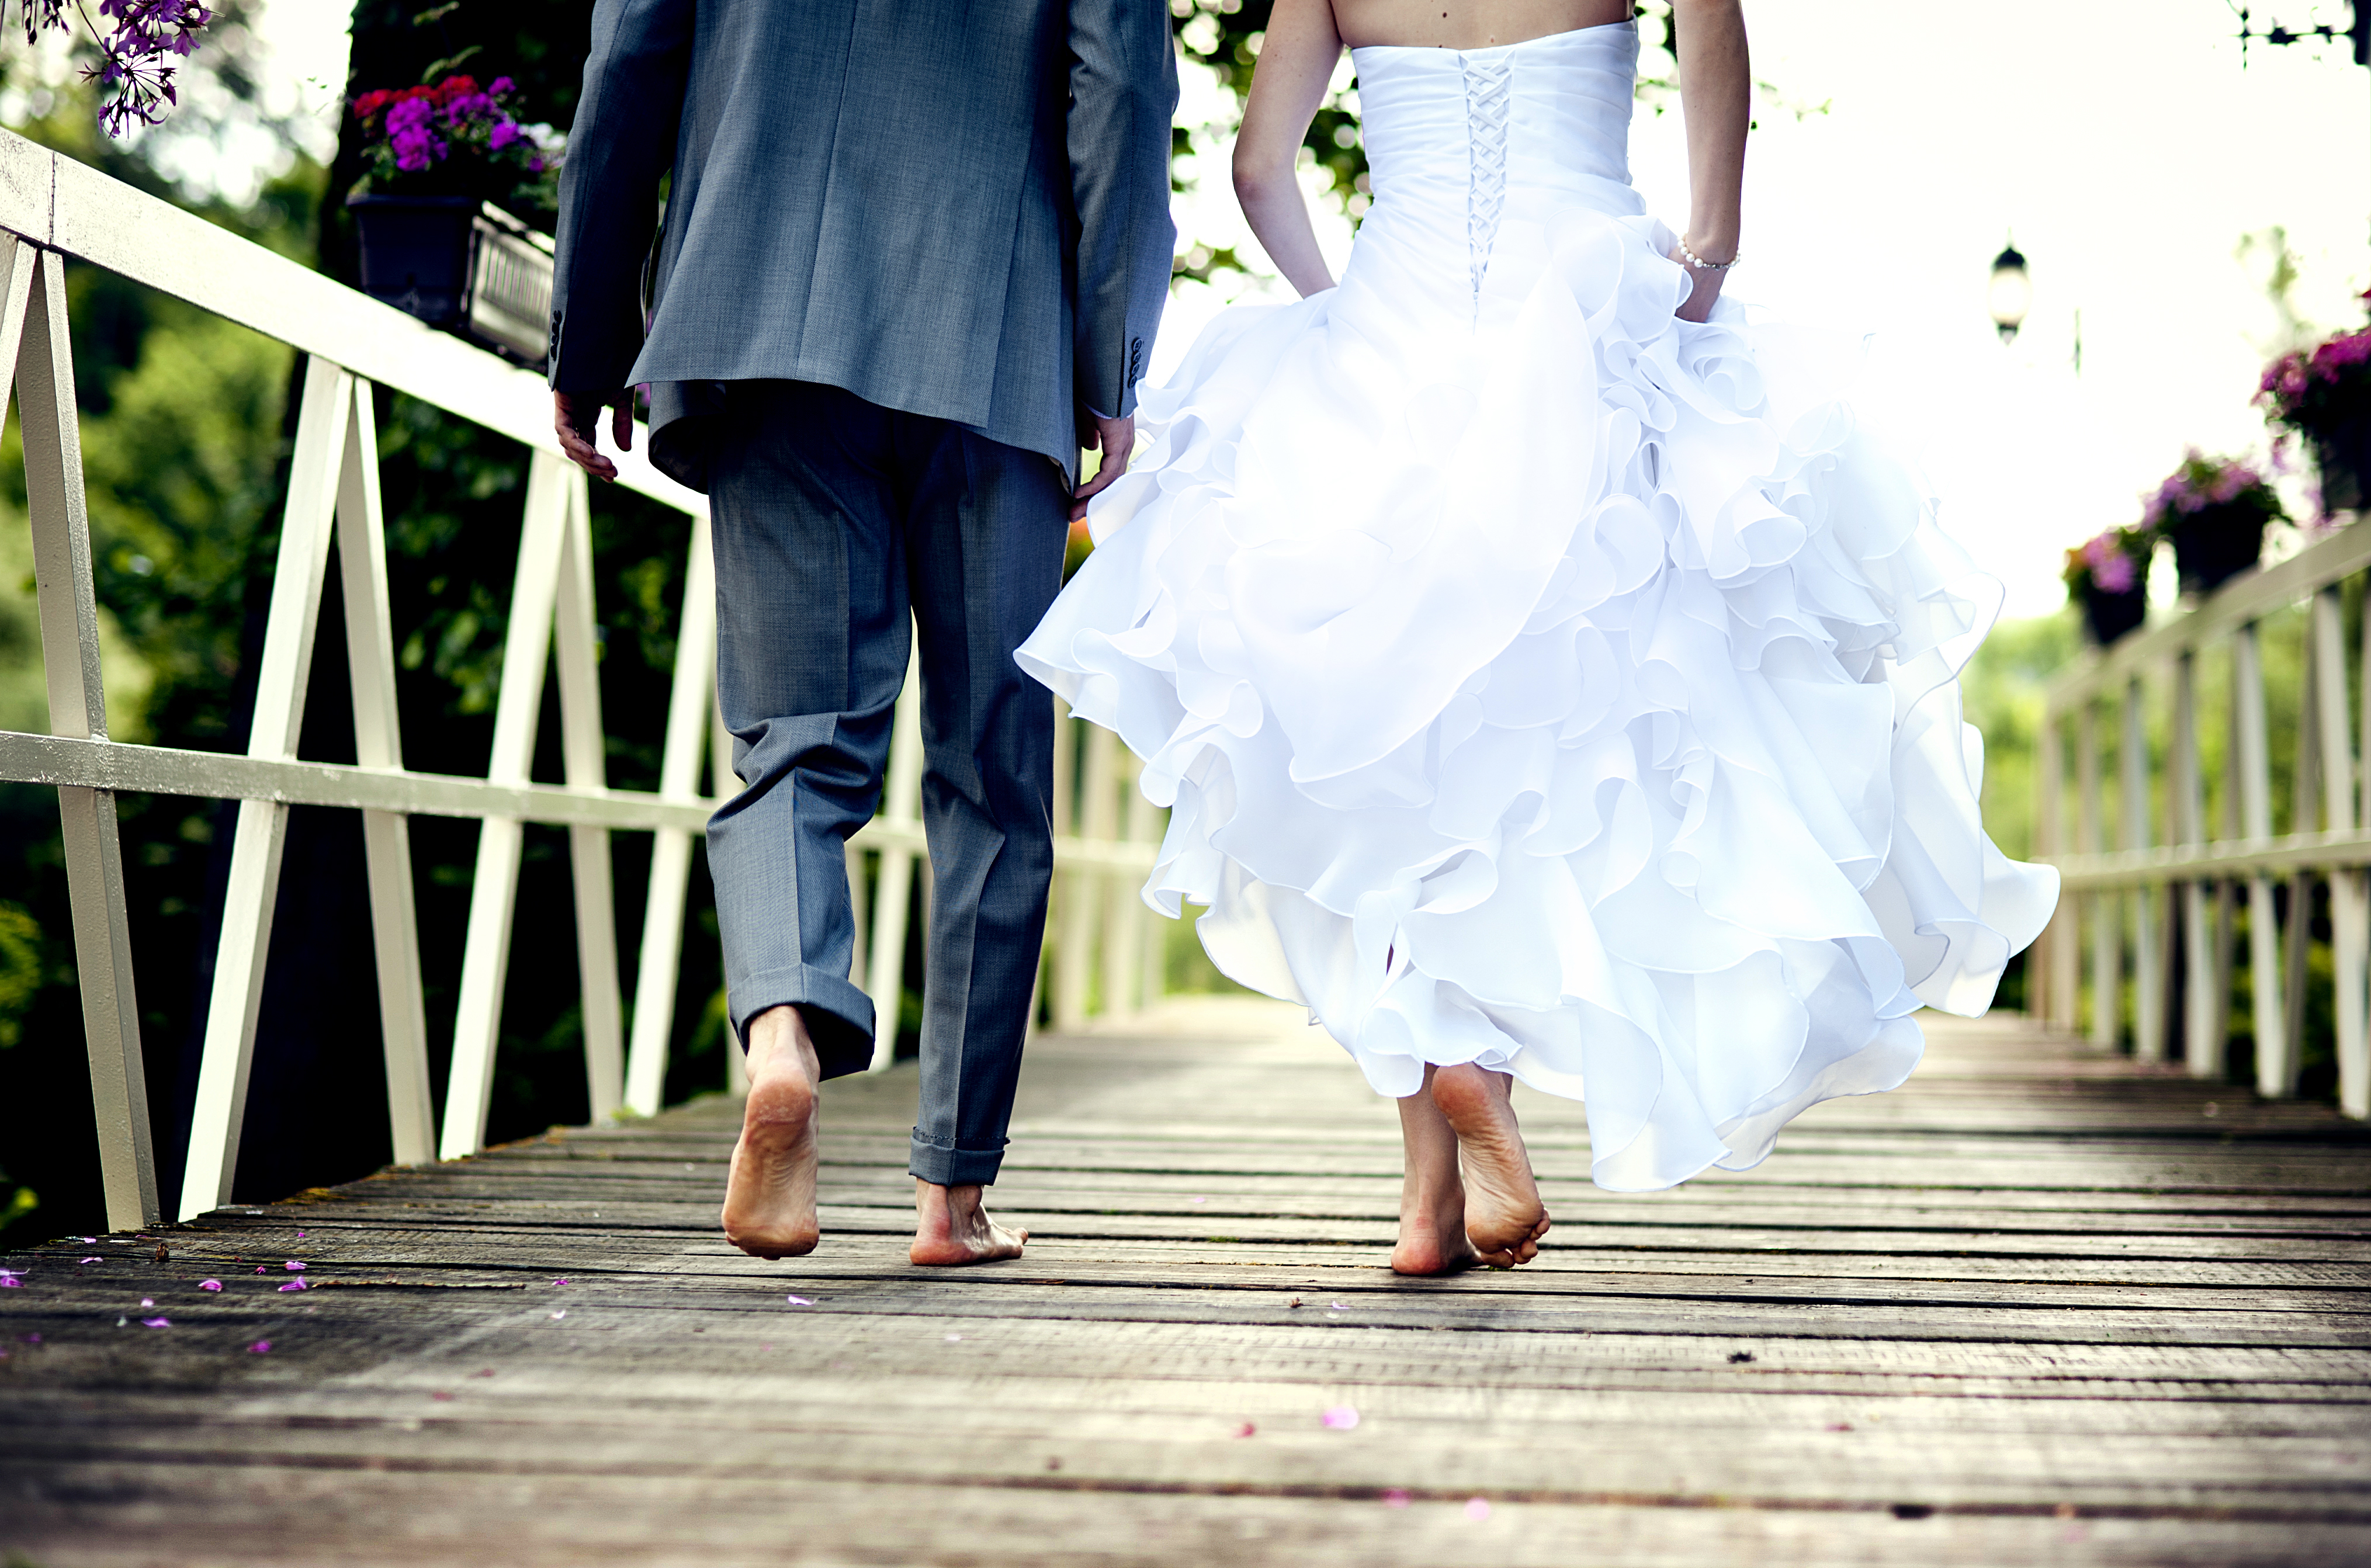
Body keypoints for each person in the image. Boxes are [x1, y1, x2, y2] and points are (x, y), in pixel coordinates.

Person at [1019, 0, 2059, 1273]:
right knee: (1556, 760)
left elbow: (1256, 167)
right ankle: (1459, 1110)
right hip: (1584, 328)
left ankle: (1429, 1190)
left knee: (1395, 759)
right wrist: (1711, 248)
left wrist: (1332, 305)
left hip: (1391, 338)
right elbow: (1712, 28)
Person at [548, 0, 1177, 1265]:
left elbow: (625, 60)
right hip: (996, 337)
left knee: (797, 739)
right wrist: (1110, 361)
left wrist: (592, 333)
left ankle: (785, 1030)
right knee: (991, 774)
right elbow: (1117, 87)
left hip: (759, 314)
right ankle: (951, 1194)